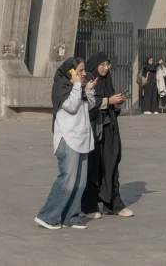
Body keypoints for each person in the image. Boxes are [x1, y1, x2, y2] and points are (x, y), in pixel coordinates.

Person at [35, 57, 103, 230]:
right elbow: (71, 107)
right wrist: (76, 85)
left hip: (81, 139)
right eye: (79, 71)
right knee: (67, 180)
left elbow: (89, 106)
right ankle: (47, 216)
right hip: (67, 139)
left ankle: (70, 217)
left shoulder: (78, 88)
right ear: (70, 72)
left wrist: (88, 90)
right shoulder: (61, 87)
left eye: (83, 71)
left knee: (80, 182)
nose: (82, 75)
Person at [80, 51, 132, 219]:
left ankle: (114, 205)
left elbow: (112, 108)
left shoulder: (107, 81)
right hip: (93, 130)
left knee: (111, 164)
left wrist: (117, 103)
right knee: (93, 167)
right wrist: (108, 101)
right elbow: (87, 104)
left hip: (109, 128)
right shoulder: (87, 81)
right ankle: (89, 207)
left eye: (107, 65)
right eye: (102, 64)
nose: (105, 68)